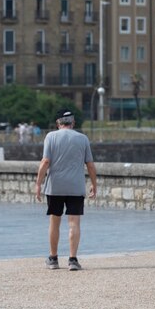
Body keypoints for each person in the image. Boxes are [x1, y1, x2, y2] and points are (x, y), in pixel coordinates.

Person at [35, 109, 97, 271]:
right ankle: (73, 260)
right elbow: (90, 164)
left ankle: (53, 259)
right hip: (76, 187)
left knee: (55, 222)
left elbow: (45, 161)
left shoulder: (51, 137)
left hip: (55, 187)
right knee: (74, 223)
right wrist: (94, 185)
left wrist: (38, 184)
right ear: (73, 123)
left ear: (58, 123)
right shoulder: (82, 138)